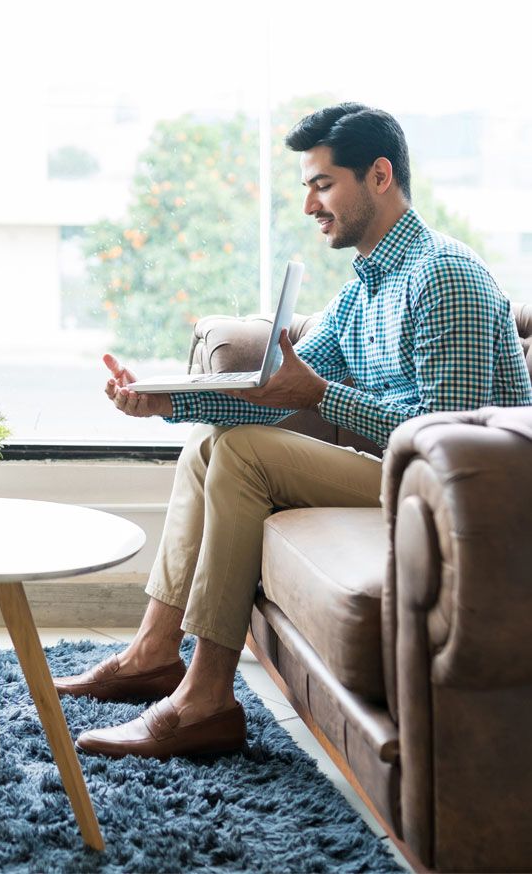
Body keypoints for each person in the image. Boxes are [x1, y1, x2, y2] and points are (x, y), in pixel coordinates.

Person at [54, 103, 532, 759]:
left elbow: (448, 444)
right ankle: (153, 654)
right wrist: (163, 401)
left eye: (323, 183)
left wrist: (324, 395)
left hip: (458, 503)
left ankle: (205, 702)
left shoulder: (442, 273)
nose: (309, 204)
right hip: (404, 480)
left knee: (245, 456)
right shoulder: (365, 285)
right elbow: (275, 397)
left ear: (380, 175)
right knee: (208, 445)